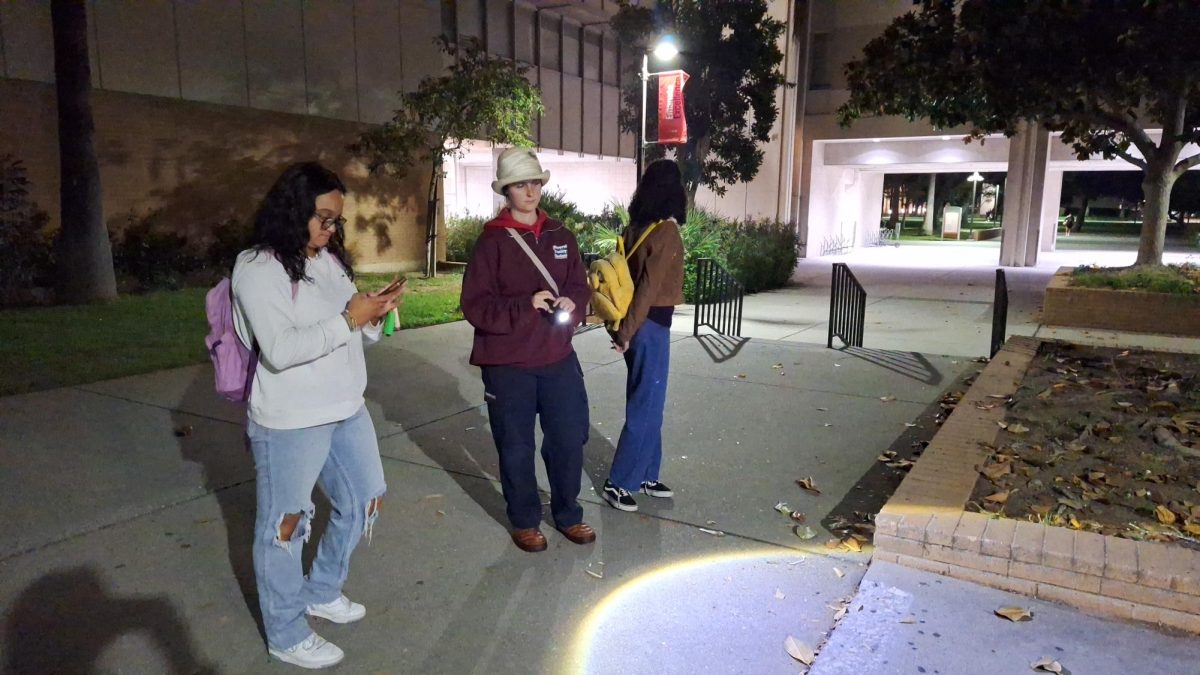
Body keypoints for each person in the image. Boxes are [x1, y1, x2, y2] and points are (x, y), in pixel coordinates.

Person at [232, 162, 403, 669]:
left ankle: (320, 589)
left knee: (365, 498)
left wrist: (375, 312)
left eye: (336, 221)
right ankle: (285, 633)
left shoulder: (325, 260)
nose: (332, 230)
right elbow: (281, 350)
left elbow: (352, 322)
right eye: (324, 219)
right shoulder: (257, 267)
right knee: (285, 527)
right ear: (293, 211)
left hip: (346, 407)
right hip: (290, 419)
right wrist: (351, 318)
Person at [460, 147, 595, 553]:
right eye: (521, 184)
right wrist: (525, 305)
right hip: (508, 365)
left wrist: (573, 301)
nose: (531, 190)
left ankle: (568, 513)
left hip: (558, 358)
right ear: (507, 190)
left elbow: (579, 285)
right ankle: (524, 519)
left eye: (535, 181)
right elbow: (476, 306)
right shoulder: (492, 242)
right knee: (516, 445)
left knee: (570, 438)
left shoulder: (560, 235)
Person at [601, 159, 686, 513]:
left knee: (652, 402)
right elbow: (648, 289)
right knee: (644, 406)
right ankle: (618, 482)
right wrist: (626, 333)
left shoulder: (637, 226)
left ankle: (648, 472)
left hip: (641, 326)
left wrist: (626, 329)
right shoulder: (666, 232)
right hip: (649, 327)